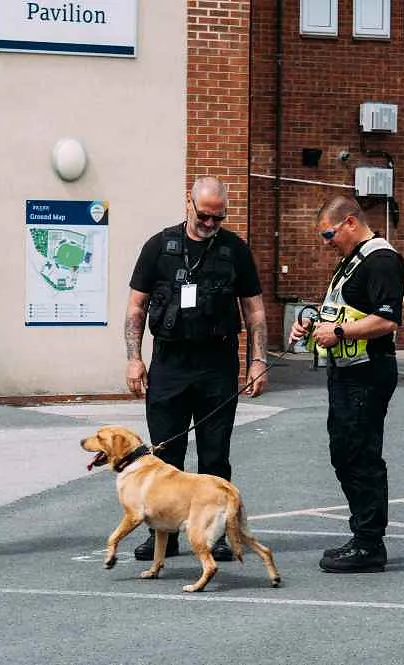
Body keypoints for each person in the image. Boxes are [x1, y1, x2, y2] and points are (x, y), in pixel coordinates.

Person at [124, 175, 269, 562]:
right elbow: (136, 308)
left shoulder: (235, 250)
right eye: (204, 216)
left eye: (218, 218)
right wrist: (134, 358)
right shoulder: (158, 247)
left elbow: (254, 310)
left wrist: (257, 360)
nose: (210, 224)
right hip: (170, 363)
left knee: (215, 455)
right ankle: (164, 536)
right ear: (188, 205)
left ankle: (216, 533)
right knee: (166, 456)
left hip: (217, 364)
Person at [289, 195, 404, 573]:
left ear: (350, 222)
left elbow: (387, 320)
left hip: (367, 373)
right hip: (346, 372)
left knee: (360, 455)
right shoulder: (352, 262)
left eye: (328, 233)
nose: (326, 242)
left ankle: (369, 544)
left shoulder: (382, 260)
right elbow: (340, 310)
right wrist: (310, 322)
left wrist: (338, 332)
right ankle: (362, 537)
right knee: (344, 452)